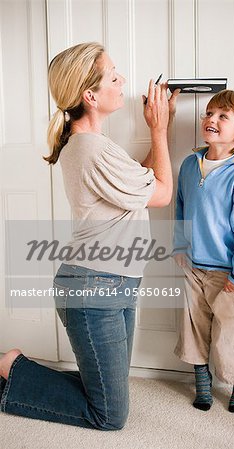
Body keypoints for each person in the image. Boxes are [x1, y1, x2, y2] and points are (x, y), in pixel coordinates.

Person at [0, 42, 179, 429]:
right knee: (110, 415)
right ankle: (11, 368)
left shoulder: (94, 147)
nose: (123, 81)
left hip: (111, 282)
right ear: (90, 96)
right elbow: (162, 194)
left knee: (104, 388)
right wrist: (161, 131)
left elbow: (141, 184)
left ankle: (15, 369)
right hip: (94, 286)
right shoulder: (91, 149)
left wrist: (154, 130)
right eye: (113, 76)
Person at [173, 89, 234, 413]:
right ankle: (202, 382)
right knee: (193, 325)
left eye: (222, 116)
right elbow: (181, 207)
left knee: (231, 330)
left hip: (227, 272)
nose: (211, 119)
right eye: (209, 113)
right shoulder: (188, 164)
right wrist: (180, 244)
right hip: (194, 265)